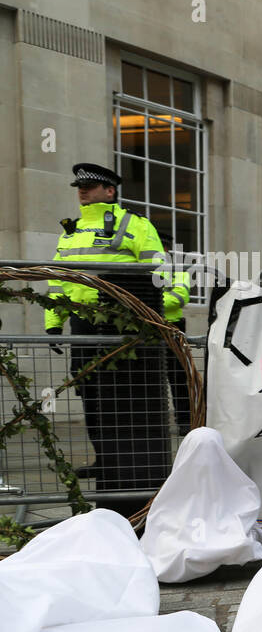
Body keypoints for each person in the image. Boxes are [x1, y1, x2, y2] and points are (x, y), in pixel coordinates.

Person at [45, 162, 167, 479]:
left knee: (124, 392)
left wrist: (150, 317)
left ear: (109, 190)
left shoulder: (135, 224)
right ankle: (104, 459)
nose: (82, 191)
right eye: (79, 187)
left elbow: (157, 272)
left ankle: (129, 459)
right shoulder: (70, 232)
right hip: (82, 322)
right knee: (89, 390)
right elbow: (57, 281)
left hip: (123, 323)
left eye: (89, 185)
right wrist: (53, 323)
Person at [157, 234, 193, 431]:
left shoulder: (178, 270)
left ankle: (185, 422)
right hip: (151, 326)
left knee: (178, 377)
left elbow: (180, 297)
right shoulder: (144, 270)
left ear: (167, 250)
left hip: (173, 326)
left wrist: (148, 303)